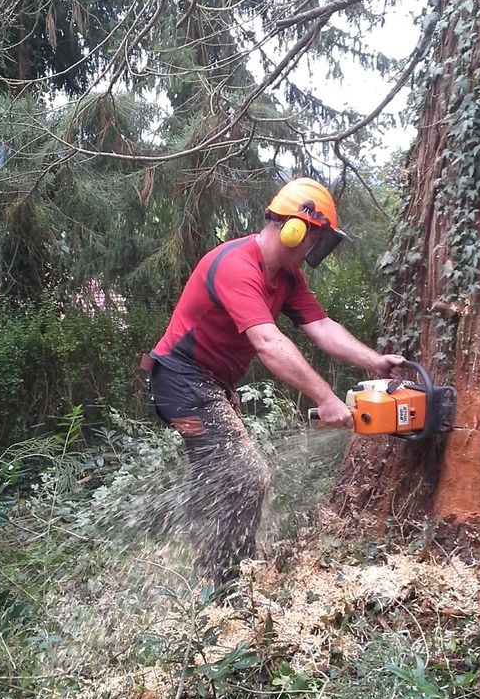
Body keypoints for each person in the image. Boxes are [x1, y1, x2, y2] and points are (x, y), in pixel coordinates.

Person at [146, 177, 405, 584]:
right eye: (314, 240)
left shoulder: (286, 278)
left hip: (208, 387)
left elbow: (321, 326)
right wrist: (326, 397)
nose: (313, 250)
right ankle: (228, 590)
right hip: (179, 383)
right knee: (244, 473)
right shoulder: (236, 265)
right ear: (294, 228)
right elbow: (268, 342)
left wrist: (375, 361)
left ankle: (204, 572)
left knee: (217, 475)